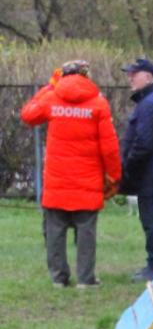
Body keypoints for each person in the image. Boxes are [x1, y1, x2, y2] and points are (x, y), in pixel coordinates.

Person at [20, 60, 121, 288]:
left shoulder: (51, 99)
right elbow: (110, 146)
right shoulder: (99, 104)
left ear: (62, 76)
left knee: (55, 232)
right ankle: (85, 279)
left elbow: (27, 115)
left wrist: (48, 87)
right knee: (86, 234)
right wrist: (114, 176)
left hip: (56, 181)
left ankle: (59, 278)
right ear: (86, 76)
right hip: (88, 182)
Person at [120, 58, 153, 282]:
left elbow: (143, 144)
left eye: (135, 74)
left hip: (151, 175)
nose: (130, 78)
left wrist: (129, 168)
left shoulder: (149, 104)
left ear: (148, 77)